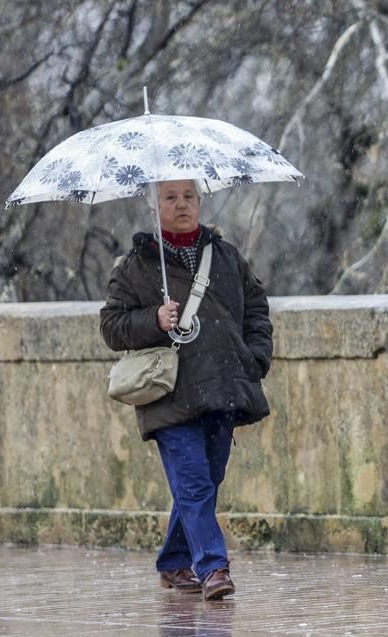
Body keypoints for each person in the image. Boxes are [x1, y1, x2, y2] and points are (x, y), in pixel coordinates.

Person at [100, 179, 273, 601]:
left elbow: (256, 308)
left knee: (206, 480)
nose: (182, 205)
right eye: (170, 197)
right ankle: (213, 567)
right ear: (154, 205)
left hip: (223, 387)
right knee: (194, 482)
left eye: (189, 197)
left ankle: (174, 560)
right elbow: (111, 326)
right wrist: (154, 320)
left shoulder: (225, 257)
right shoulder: (137, 266)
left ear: (200, 201)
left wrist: (255, 356)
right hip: (169, 395)